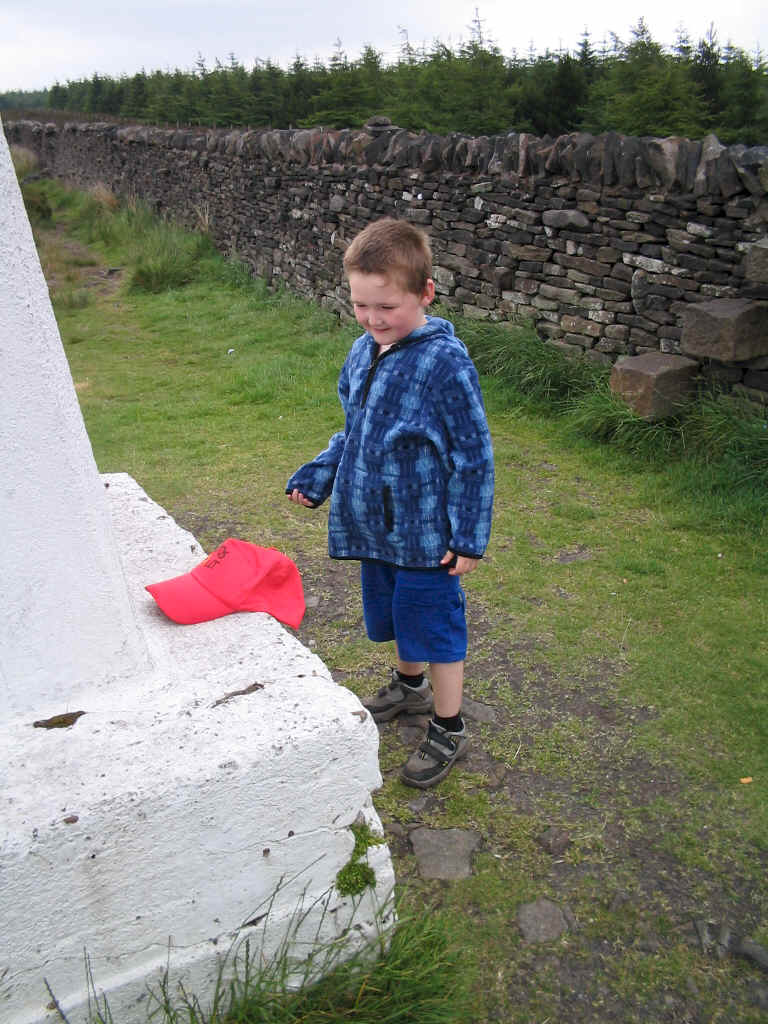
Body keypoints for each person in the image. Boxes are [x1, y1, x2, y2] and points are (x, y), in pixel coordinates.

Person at [286, 217, 494, 788]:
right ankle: (410, 688)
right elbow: (353, 429)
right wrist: (324, 473)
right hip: (375, 526)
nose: (374, 320)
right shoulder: (362, 351)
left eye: (387, 308)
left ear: (425, 292)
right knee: (396, 612)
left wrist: (468, 536)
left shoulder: (444, 364)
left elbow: (473, 456)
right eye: (361, 305)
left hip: (427, 534)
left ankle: (448, 726)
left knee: (434, 622)